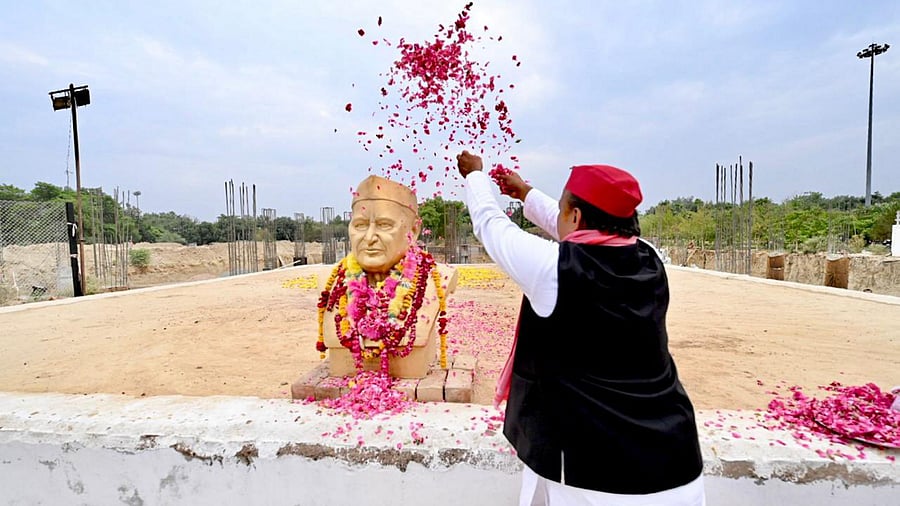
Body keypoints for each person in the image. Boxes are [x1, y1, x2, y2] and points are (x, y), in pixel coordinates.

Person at [456, 150, 705, 505]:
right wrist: (526, 193)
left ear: (575, 215)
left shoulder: (553, 270)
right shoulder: (649, 257)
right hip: (675, 459)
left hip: (596, 476)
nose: (558, 216)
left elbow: (490, 224)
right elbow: (576, 229)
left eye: (562, 209)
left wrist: (475, 177)